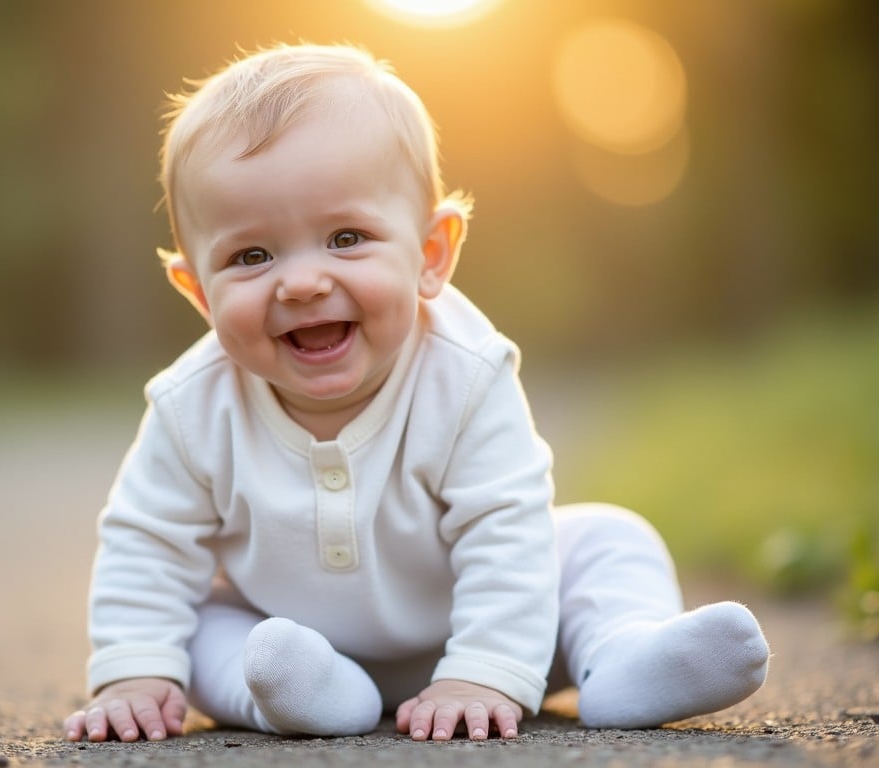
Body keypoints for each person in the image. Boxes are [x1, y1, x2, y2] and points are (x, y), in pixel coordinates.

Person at [62, 43, 770, 744]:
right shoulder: (193, 405)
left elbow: (505, 528)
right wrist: (133, 672)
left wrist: (485, 673)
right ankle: (312, 698)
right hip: (292, 641)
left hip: (493, 625)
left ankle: (619, 660)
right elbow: (147, 541)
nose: (303, 282)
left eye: (346, 237)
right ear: (198, 291)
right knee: (208, 634)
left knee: (610, 538)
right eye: (251, 256)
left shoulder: (465, 373)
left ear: (431, 255)